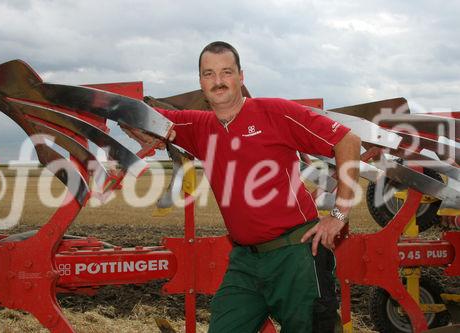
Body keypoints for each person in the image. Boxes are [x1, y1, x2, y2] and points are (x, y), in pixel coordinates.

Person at [127, 41, 361, 332]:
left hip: (295, 254)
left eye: (226, 72)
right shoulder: (198, 127)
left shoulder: (274, 113)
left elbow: (347, 140)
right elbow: (137, 117)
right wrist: (58, 96)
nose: (218, 81)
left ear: (241, 76)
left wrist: (339, 215)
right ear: (200, 82)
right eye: (209, 74)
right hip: (245, 262)